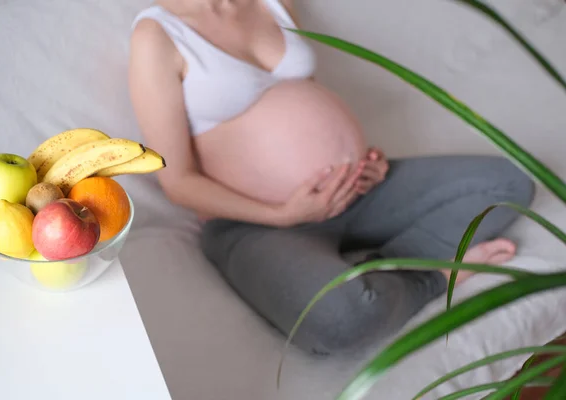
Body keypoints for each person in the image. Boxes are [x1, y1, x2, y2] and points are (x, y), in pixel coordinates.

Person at [128, 0, 535, 356]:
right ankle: (431, 278)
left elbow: (303, 96)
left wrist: (360, 158)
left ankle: (381, 263)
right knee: (342, 320)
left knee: (506, 185)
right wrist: (282, 213)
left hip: (356, 190)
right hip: (258, 225)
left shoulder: (272, 2)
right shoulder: (157, 36)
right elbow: (177, 182)